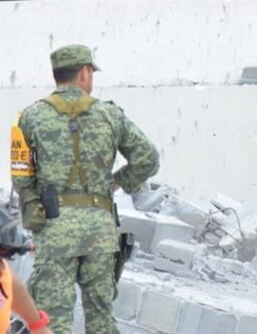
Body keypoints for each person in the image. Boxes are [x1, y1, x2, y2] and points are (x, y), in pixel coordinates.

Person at [11, 45, 159, 334]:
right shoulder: (110, 115)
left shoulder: (30, 117)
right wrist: (117, 182)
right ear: (84, 72)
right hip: (100, 233)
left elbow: (21, 176)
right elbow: (149, 159)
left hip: (55, 231)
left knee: (53, 319)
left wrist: (34, 206)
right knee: (102, 319)